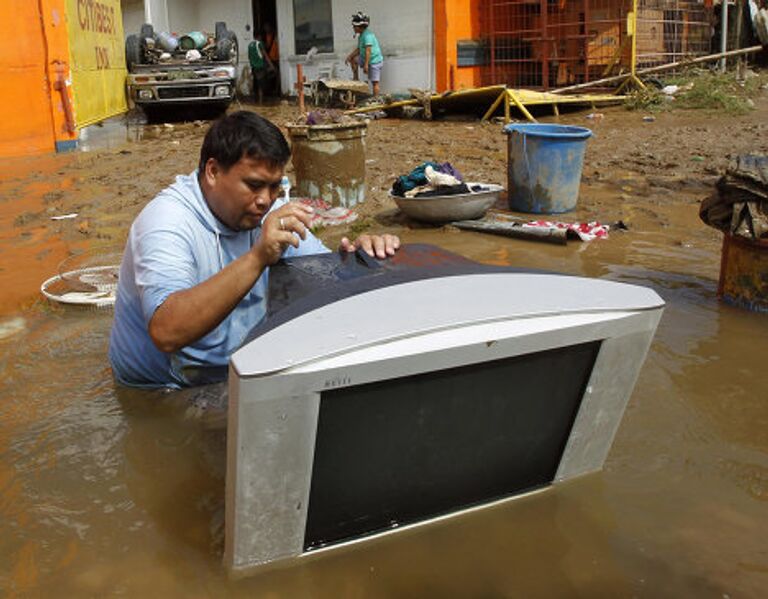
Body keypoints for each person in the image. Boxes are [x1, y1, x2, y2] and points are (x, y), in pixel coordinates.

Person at [109, 111, 399, 389]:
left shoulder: (267, 212)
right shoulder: (167, 223)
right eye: (254, 185)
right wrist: (259, 256)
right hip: (163, 389)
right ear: (212, 171)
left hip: (232, 373)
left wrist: (359, 255)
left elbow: (327, 276)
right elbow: (166, 331)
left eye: (275, 187)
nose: (265, 200)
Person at [345, 12, 383, 96]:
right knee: (353, 59)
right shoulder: (361, 35)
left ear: (360, 27)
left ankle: (376, 100)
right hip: (365, 58)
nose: (353, 28)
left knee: (375, 83)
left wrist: (366, 65)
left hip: (374, 61)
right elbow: (359, 49)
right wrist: (349, 56)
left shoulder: (367, 36)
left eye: (354, 26)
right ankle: (356, 79)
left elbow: (368, 51)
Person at [247, 33, 274, 104]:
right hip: (260, 66)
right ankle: (260, 102)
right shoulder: (259, 44)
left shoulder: (250, 45)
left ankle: (255, 100)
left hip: (254, 67)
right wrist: (271, 65)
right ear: (259, 36)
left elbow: (249, 57)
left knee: (255, 83)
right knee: (261, 85)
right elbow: (265, 55)